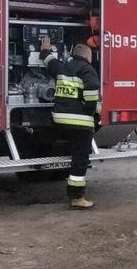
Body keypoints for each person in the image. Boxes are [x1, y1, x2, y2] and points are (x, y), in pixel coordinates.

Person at [40, 38, 99, 210]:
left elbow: (48, 61)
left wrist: (45, 49)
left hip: (59, 120)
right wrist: (91, 112)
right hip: (79, 122)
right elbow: (91, 94)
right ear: (87, 56)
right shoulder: (88, 69)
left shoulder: (62, 67)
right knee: (80, 158)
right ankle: (76, 197)